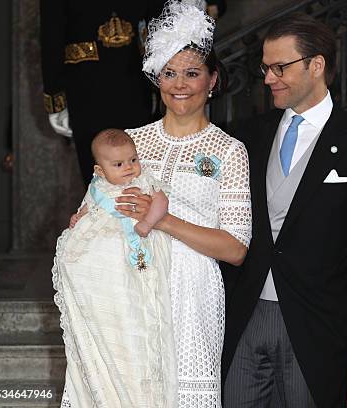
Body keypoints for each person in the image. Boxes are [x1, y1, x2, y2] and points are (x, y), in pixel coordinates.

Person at [221, 12, 347, 408]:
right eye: (265, 68)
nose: (268, 78)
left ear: (316, 66)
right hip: (245, 318)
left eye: (280, 67)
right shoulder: (246, 139)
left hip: (318, 328)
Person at [115, 0, 252, 406]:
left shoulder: (229, 151)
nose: (180, 84)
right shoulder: (130, 140)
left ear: (212, 80)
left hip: (193, 297)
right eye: (169, 73)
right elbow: (103, 210)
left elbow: (236, 249)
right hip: (130, 288)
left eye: (192, 73)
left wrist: (165, 221)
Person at [53, 129, 178, 407]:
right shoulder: (98, 186)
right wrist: (78, 217)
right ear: (99, 169)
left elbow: (161, 201)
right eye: (119, 164)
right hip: (102, 258)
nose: (129, 168)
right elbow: (88, 208)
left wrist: (147, 223)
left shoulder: (142, 180)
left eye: (132, 160)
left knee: (134, 303)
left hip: (134, 252)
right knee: (77, 260)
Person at [40, 0, 165, 185]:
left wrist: (55, 99)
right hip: (97, 88)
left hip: (119, 85)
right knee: (103, 176)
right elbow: (52, 33)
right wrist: (55, 96)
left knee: (137, 177)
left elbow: (159, 23)